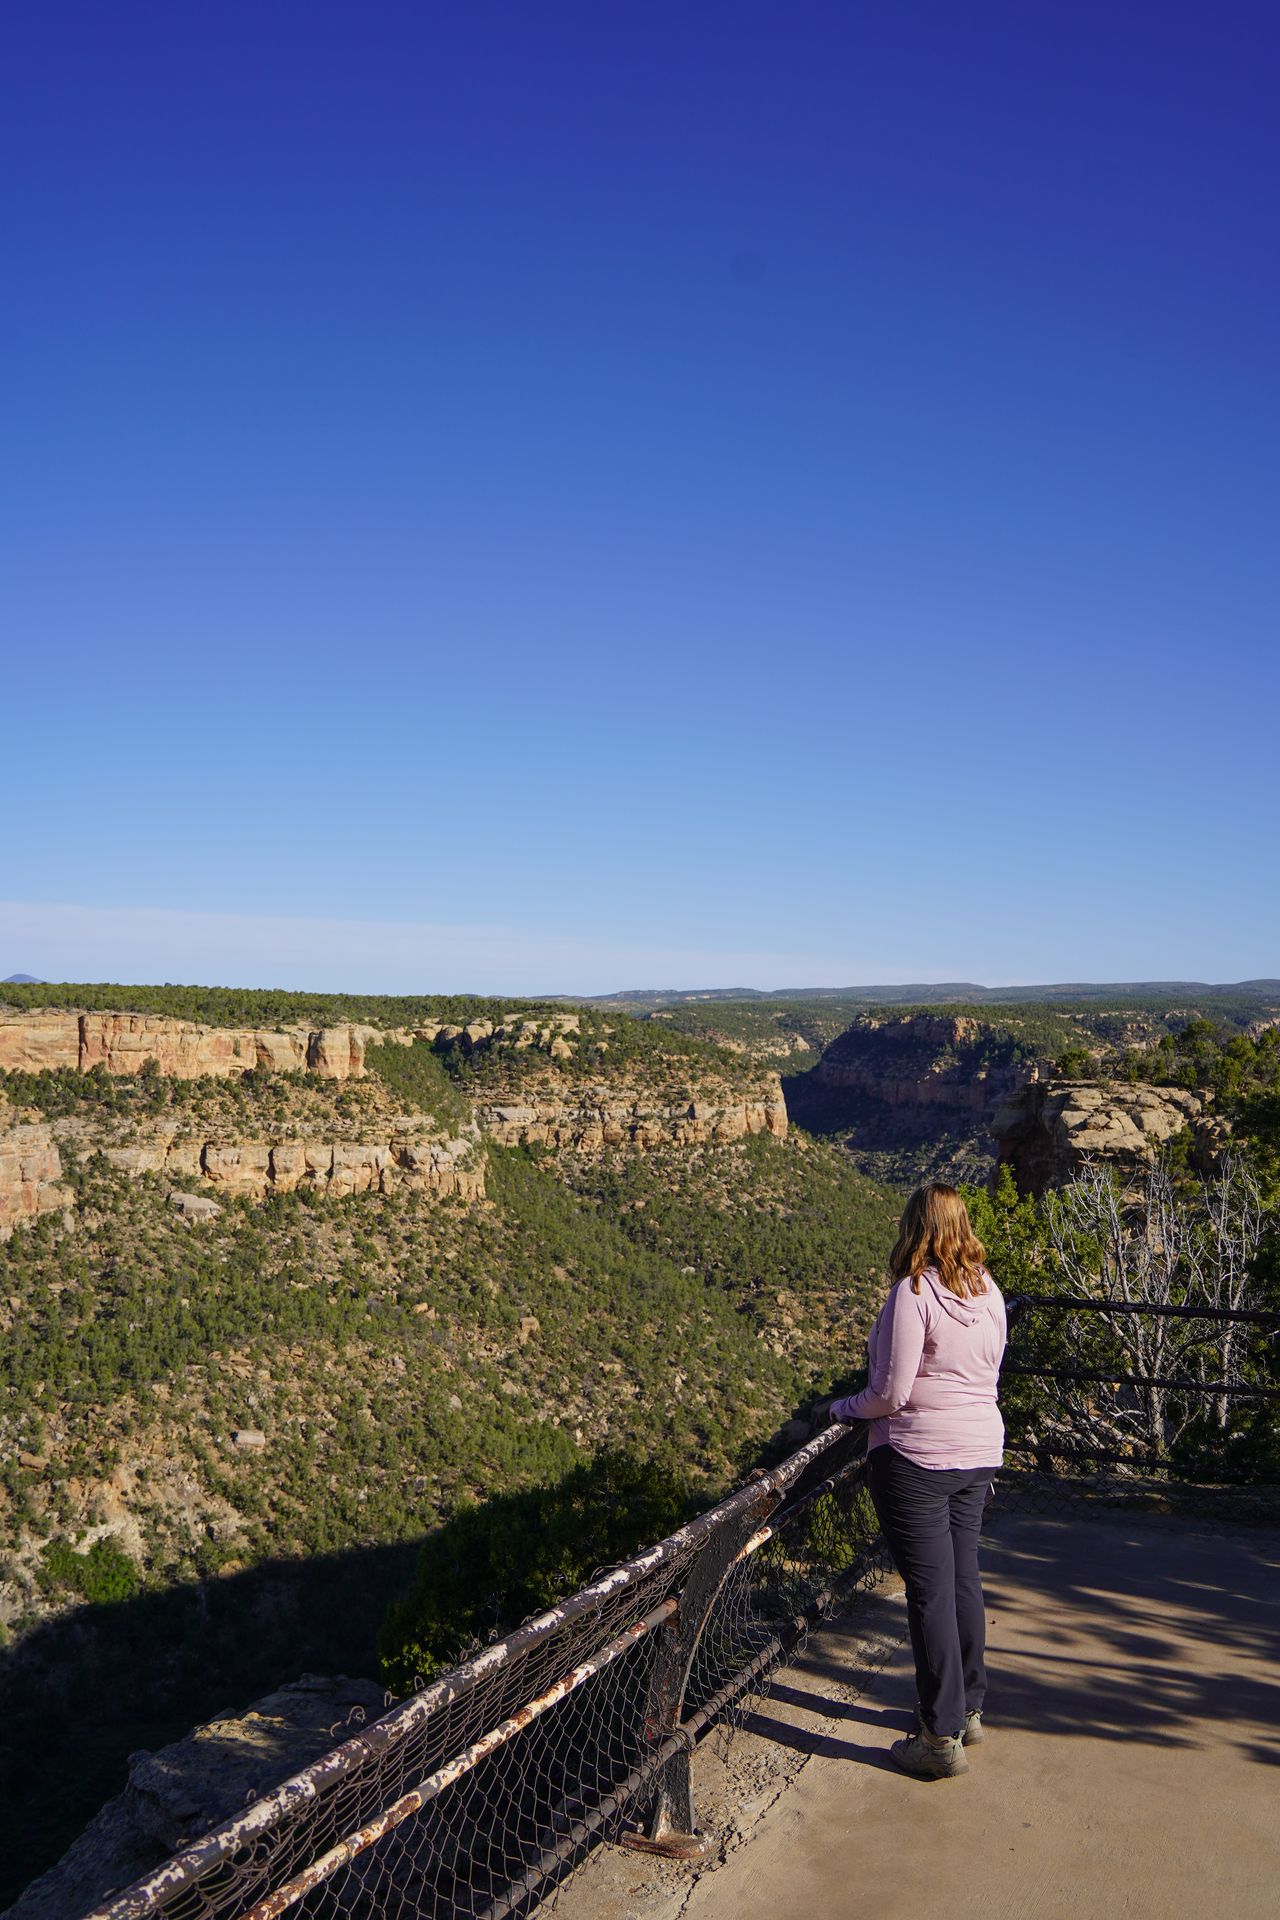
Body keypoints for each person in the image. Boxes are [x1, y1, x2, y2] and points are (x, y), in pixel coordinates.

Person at [829, 1182, 1006, 1780]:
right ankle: (970, 1708)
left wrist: (844, 1408)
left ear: (915, 1226)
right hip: (980, 1449)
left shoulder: (914, 1293)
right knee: (962, 1581)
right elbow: (989, 1373)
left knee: (929, 1593)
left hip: (918, 1460)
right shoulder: (988, 1290)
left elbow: (891, 1394)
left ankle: (937, 1738)